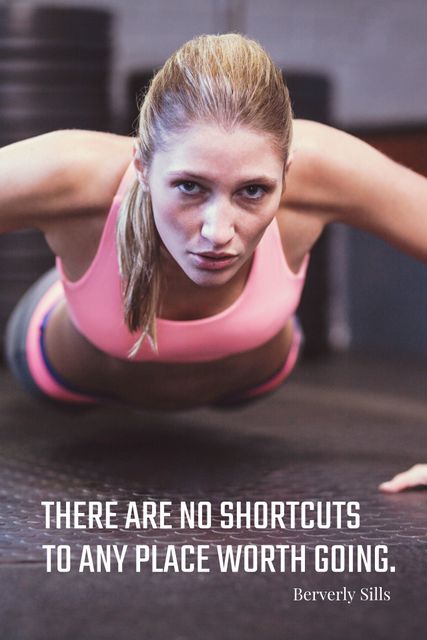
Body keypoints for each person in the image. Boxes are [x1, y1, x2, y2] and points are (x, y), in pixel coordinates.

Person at [1, 34, 426, 491]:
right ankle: (78, 276)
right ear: (142, 166)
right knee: (96, 269)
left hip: (251, 372)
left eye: (253, 191)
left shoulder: (324, 169)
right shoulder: (70, 173)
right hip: (64, 365)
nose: (216, 232)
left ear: (286, 173)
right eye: (189, 187)